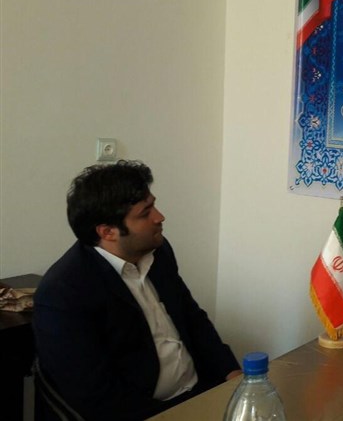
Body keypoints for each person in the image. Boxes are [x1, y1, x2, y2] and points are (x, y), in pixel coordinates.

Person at [34, 161, 241, 421]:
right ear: (108, 232)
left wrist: (230, 372)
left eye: (154, 205)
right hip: (145, 412)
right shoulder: (63, 292)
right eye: (145, 213)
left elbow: (191, 317)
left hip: (198, 391)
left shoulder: (158, 250)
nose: (159, 217)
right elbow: (96, 396)